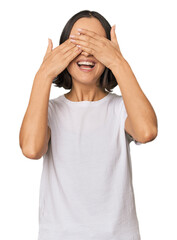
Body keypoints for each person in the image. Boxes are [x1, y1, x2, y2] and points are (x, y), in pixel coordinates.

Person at [19, 10, 158, 240]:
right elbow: (31, 149)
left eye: (96, 43)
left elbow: (147, 131)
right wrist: (43, 74)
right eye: (78, 42)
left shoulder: (120, 109)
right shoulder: (50, 112)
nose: (87, 51)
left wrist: (117, 61)